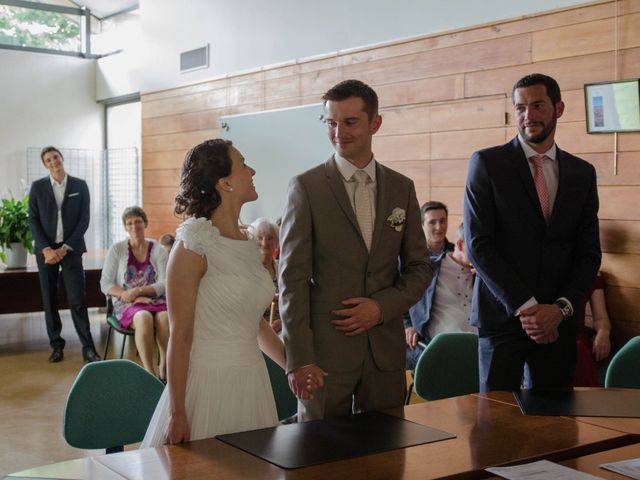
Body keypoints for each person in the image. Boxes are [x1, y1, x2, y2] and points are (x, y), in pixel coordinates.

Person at [142, 139, 322, 446]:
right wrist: (178, 412)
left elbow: (253, 323)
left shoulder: (249, 241)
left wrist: (294, 367)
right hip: (208, 384)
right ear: (225, 182)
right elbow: (180, 336)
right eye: (243, 164)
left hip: (252, 382)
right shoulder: (192, 246)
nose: (251, 170)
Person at [279, 79, 432, 421]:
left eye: (350, 122)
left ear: (375, 123)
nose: (338, 133)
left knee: (386, 456)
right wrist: (300, 358)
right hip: (324, 356)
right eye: (330, 123)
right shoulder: (306, 187)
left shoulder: (401, 188)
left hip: (384, 354)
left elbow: (420, 267)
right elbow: (292, 280)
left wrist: (381, 308)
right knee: (318, 459)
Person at [463, 73, 601, 392]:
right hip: (503, 319)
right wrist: (528, 308)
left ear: (559, 108)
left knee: (557, 428)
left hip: (559, 323)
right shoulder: (487, 163)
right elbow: (478, 245)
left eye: (537, 105)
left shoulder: (582, 173)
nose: (528, 116)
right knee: (495, 428)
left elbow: (589, 252)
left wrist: (560, 309)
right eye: (521, 107)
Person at [27, 146, 100, 364]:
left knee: (77, 299)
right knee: (49, 299)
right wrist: (46, 249)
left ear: (61, 158)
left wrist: (65, 247)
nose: (53, 162)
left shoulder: (80, 185)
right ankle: (56, 346)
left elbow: (84, 220)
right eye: (48, 160)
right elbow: (33, 219)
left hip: (71, 250)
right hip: (46, 253)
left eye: (55, 157)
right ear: (45, 164)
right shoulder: (37, 187)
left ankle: (88, 348)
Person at [100, 206, 169, 379]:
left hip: (156, 300)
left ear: (145, 223)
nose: (134, 226)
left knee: (165, 318)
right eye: (129, 223)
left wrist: (140, 291)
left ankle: (165, 365)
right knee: (143, 317)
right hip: (127, 302)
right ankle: (149, 372)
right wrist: (134, 296)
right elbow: (105, 283)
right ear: (125, 227)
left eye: (138, 221)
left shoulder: (159, 250)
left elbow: (165, 282)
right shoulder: (117, 250)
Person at [404, 222, 476, 370]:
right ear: (461, 245)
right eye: (477, 246)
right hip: (440, 350)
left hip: (479, 348)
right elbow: (403, 297)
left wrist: (486, 277)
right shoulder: (429, 268)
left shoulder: (484, 275)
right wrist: (407, 325)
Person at [573, 272, 612, 386]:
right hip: (544, 332)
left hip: (577, 335)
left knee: (578, 351)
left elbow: (600, 318)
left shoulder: (590, 271)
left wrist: (603, 332)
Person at [248, 217, 282, 333]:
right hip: (257, 330)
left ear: (277, 241)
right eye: (259, 238)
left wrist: (282, 322)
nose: (264, 243)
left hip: (283, 326)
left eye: (270, 238)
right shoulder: (248, 270)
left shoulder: (283, 268)